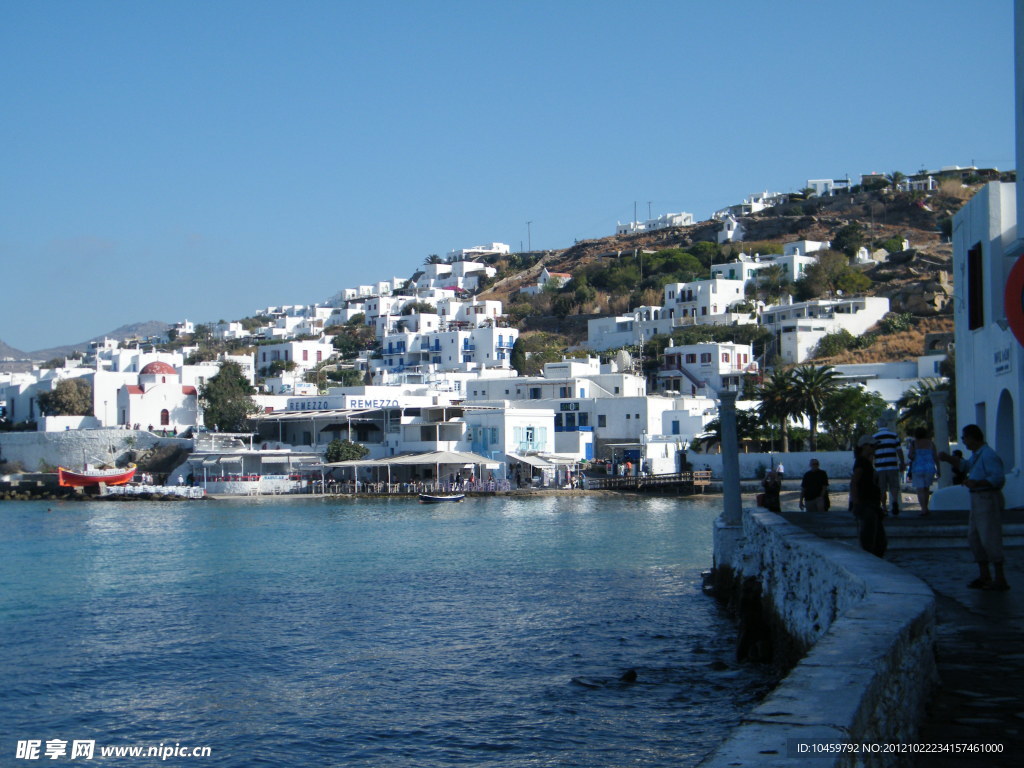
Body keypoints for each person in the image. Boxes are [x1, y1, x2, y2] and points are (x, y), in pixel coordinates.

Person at [940, 425, 1009, 591]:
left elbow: (998, 479)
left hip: (987, 498)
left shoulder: (988, 455)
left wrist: (977, 483)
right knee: (975, 538)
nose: (963, 441)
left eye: (965, 438)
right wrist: (949, 459)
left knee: (989, 537)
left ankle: (1000, 578)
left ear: (973, 438)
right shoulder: (978, 456)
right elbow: (966, 466)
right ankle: (984, 575)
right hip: (978, 500)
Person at [851, 435, 886, 558]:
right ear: (864, 446)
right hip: (866, 505)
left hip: (872, 504)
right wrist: (856, 503)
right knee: (871, 540)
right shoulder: (861, 463)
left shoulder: (867, 462)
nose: (874, 448)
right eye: (872, 446)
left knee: (879, 541)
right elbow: (854, 482)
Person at [873, 419, 905, 516]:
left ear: (878, 426)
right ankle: (895, 501)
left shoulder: (874, 437)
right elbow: (899, 450)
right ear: (886, 425)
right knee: (894, 486)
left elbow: (872, 453)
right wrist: (902, 462)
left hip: (880, 467)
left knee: (881, 488)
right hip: (892, 465)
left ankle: (884, 507)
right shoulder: (893, 436)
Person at [908, 427, 938, 516]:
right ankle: (926, 507)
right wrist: (939, 469)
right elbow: (935, 457)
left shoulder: (914, 443)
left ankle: (923, 508)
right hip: (929, 468)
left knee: (920, 489)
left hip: (917, 468)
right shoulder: (931, 443)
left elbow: (910, 456)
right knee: (926, 489)